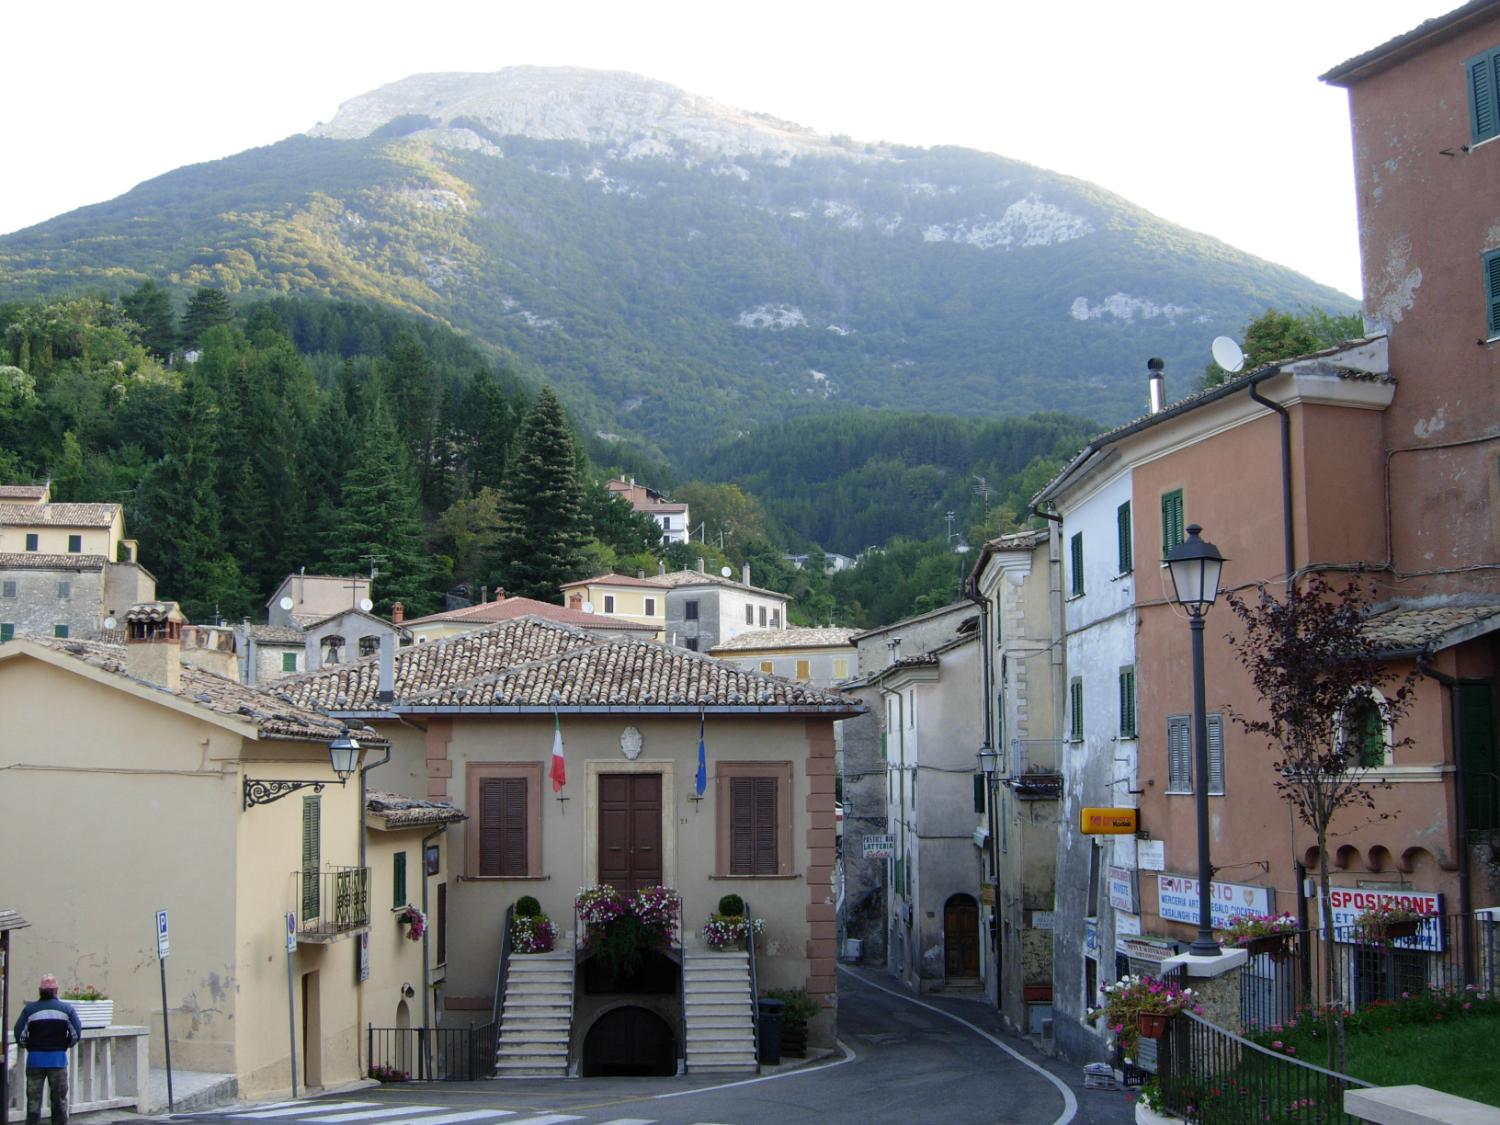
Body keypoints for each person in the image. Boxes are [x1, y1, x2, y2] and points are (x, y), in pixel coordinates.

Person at [13, 975, 81, 1125]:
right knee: (59, 1099)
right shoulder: (67, 1009)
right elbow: (76, 1033)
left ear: (40, 991)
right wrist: (64, 1045)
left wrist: (29, 1046)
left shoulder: (30, 1009)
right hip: (58, 1060)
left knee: (33, 1099)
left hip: (35, 1060)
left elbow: (19, 1033)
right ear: (56, 990)